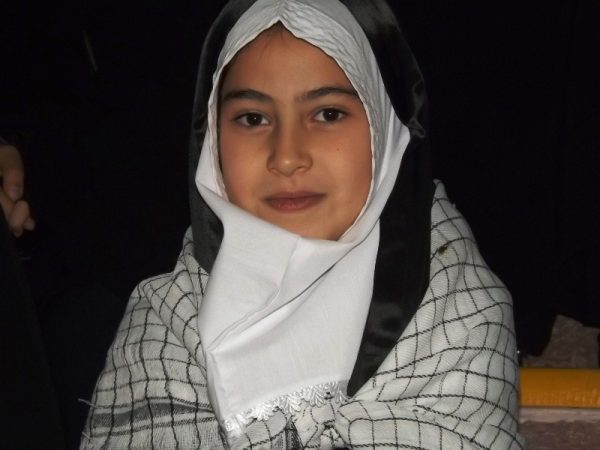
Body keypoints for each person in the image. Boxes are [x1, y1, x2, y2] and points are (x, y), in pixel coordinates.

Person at [82, 0, 525, 448]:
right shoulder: (167, 317)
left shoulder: (461, 309)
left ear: (385, 128)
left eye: (328, 114)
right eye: (253, 119)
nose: (287, 156)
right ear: (213, 141)